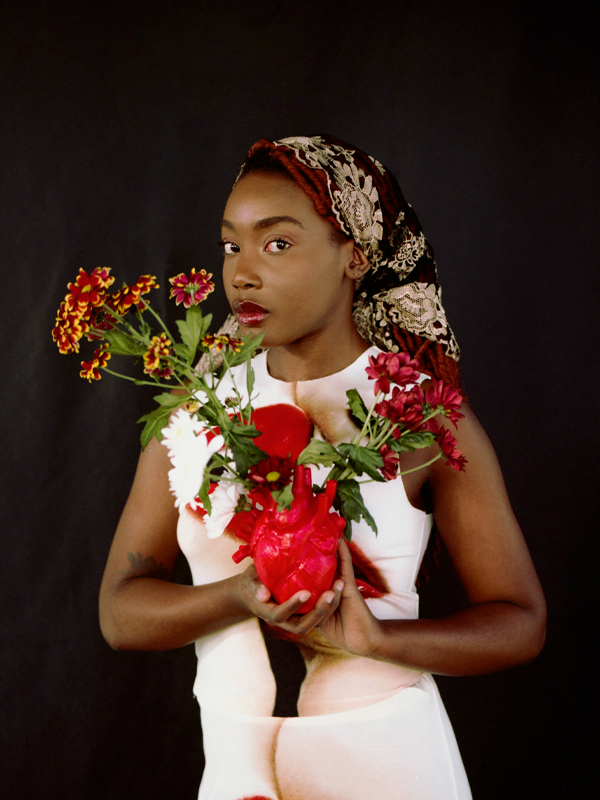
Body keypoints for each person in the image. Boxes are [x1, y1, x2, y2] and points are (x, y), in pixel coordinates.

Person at [99, 135, 546, 800]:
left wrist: (374, 638)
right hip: (237, 768)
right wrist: (235, 598)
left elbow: (520, 621)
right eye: (232, 245)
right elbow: (120, 613)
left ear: (354, 258)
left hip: (389, 764)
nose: (243, 272)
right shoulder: (197, 411)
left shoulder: (420, 414)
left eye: (277, 243)